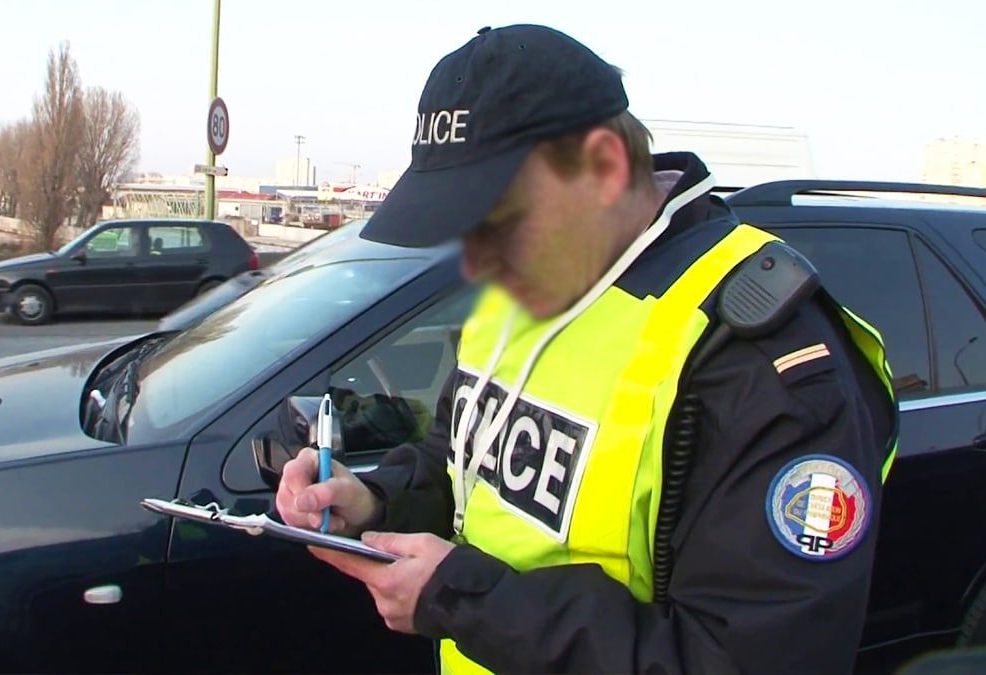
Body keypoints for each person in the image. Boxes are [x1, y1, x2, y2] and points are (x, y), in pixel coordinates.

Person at [276, 23, 899, 675]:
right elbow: (467, 465)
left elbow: (745, 658)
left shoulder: (760, 361)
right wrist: (374, 499)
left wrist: (462, 599)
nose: (478, 257)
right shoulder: (521, 296)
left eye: (497, 215)